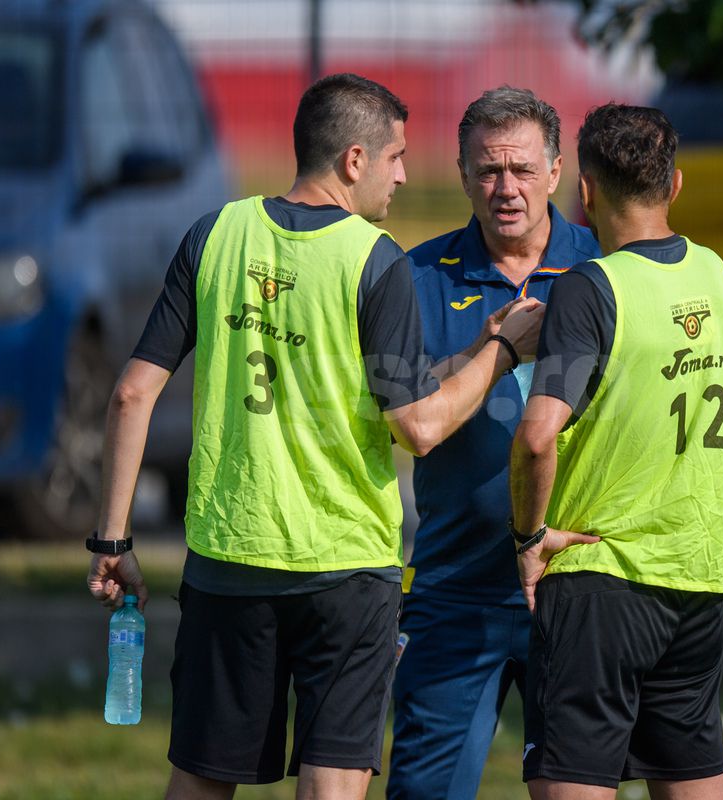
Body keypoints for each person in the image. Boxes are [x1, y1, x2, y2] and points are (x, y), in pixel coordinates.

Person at [84, 73, 541, 800]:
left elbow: (132, 393)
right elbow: (418, 426)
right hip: (345, 573)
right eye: (395, 157)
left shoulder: (214, 235)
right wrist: (502, 352)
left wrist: (113, 543)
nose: (402, 174)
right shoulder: (375, 260)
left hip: (229, 561)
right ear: (354, 161)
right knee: (333, 785)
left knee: (200, 779)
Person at [510, 103, 723, 800]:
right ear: (675, 185)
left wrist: (528, 537)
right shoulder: (719, 279)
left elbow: (536, 435)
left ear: (582, 192)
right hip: (697, 582)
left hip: (599, 586)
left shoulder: (591, 288)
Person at [388, 86, 599, 800]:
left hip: (578, 585)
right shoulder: (414, 278)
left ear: (556, 170)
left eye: (520, 169)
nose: (504, 189)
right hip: (456, 589)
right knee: (424, 791)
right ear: (460, 172)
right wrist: (489, 355)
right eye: (486, 170)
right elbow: (401, 416)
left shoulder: (605, 270)